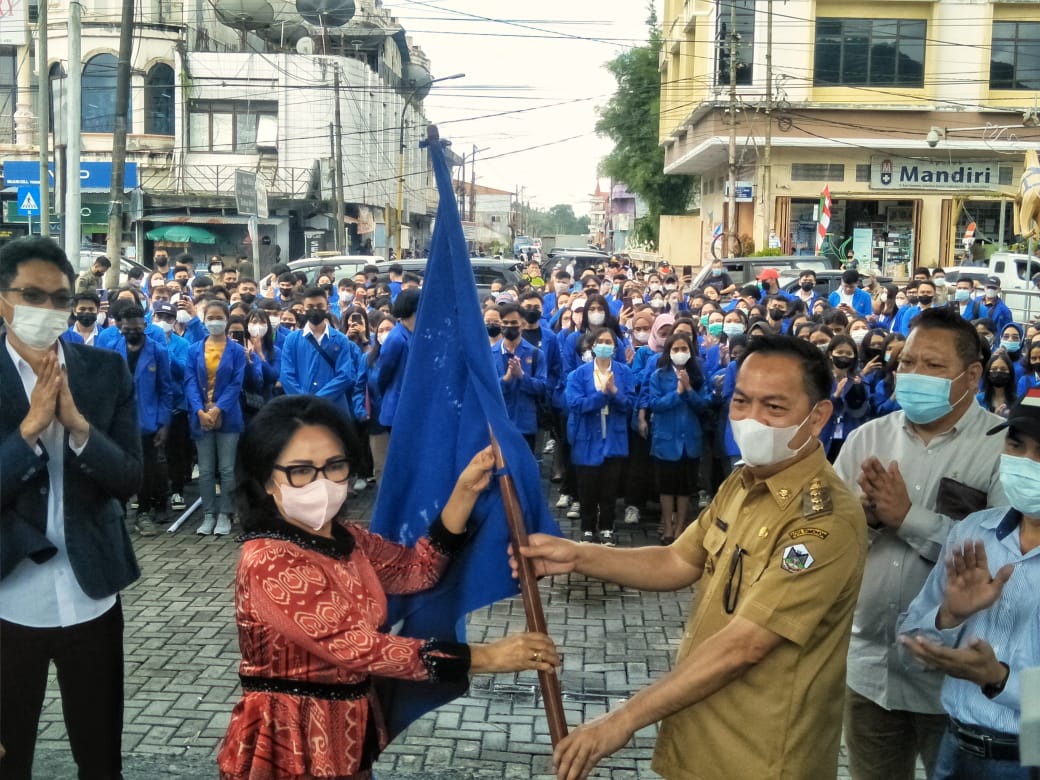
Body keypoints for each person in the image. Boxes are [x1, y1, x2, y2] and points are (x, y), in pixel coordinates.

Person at [517, 335, 868, 780]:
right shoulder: (743, 483)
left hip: (761, 756)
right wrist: (577, 555)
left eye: (774, 408)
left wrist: (622, 719)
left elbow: (745, 645)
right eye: (741, 401)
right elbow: (677, 562)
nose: (751, 419)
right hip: (698, 736)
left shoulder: (823, 522)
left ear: (818, 416)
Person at [217, 395, 559, 779]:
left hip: (348, 733)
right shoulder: (268, 559)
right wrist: (488, 657)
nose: (323, 483)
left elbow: (417, 569)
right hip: (289, 742)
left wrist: (465, 491)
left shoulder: (348, 539)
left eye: (335, 466)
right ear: (266, 479)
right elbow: (359, 648)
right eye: (301, 471)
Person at [834, 306, 1007, 780]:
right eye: (907, 362)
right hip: (871, 669)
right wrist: (864, 522)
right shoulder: (866, 441)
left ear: (972, 376)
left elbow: (1006, 564)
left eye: (933, 366)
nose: (914, 375)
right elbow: (826, 547)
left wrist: (908, 519)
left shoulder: (1003, 449)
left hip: (960, 681)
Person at [0, 237, 142, 778]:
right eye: (32, 295)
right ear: (2, 299)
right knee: (10, 755)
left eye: (60, 298)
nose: (49, 310)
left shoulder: (104, 370)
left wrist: (79, 429)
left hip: (92, 592)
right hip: (9, 598)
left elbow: (130, 477)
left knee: (101, 754)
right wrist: (30, 429)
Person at [897, 389, 1040, 780]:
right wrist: (947, 617)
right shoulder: (976, 531)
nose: (1027, 463)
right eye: (1016, 445)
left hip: (1031, 754)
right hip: (956, 745)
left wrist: (1000, 679)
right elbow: (908, 644)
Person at [185, 300, 253, 536]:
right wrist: (200, 410)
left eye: (219, 317)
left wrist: (218, 409)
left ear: (226, 319)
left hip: (229, 416)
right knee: (205, 469)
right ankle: (208, 514)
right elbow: (190, 381)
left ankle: (225, 513)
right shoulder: (194, 349)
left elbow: (236, 383)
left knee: (226, 469)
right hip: (200, 416)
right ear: (204, 320)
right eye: (210, 317)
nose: (215, 322)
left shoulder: (236, 350)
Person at [107, 303, 174, 537]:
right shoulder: (111, 350)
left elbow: (166, 390)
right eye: (126, 328)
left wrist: (164, 424)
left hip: (149, 422)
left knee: (146, 470)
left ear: (144, 326)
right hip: (119, 422)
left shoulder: (158, 351)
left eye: (136, 327)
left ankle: (144, 513)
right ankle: (120, 514)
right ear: (120, 327)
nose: (131, 331)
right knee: (117, 469)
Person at [564, 326, 635, 545]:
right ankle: (587, 528)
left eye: (609, 342)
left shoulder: (624, 372)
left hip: (613, 436)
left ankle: (606, 527)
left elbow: (629, 404)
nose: (605, 345)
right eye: (600, 342)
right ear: (592, 346)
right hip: (587, 437)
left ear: (615, 347)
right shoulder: (578, 374)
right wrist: (602, 395)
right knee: (587, 486)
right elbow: (575, 404)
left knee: (609, 487)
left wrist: (614, 392)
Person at [279, 287, 368, 441]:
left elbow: (345, 375)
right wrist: (305, 400)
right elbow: (286, 376)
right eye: (310, 307)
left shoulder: (340, 339)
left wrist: (317, 400)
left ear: (327, 307)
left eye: (319, 306)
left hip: (334, 409)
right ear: (304, 309)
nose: (315, 310)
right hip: (301, 410)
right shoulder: (292, 339)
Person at [647, 333, 707, 544]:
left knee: (684, 488)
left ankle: (681, 527)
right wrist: (677, 393)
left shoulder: (697, 375)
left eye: (684, 349)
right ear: (669, 352)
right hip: (666, 439)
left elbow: (703, 405)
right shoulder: (658, 376)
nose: (680, 353)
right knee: (666, 487)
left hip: (690, 440)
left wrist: (689, 389)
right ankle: (668, 527)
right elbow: (656, 404)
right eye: (676, 349)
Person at [375, 288, 419, 432]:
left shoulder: (412, 334)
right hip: (397, 408)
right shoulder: (396, 338)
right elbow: (383, 374)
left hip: (411, 406)